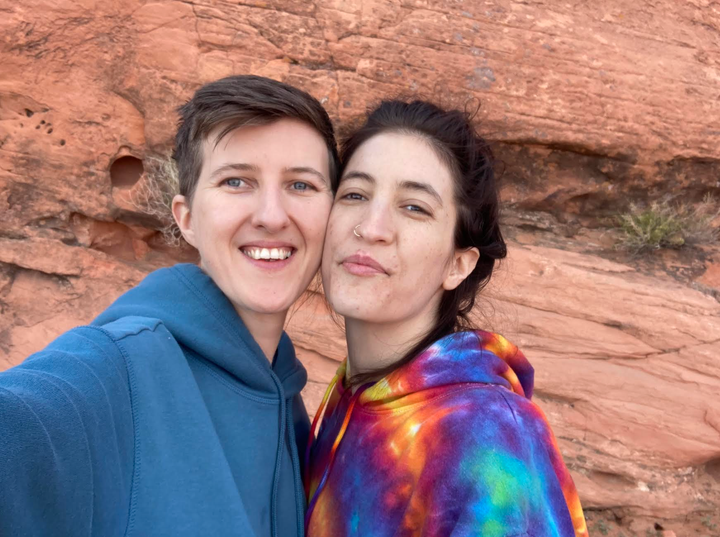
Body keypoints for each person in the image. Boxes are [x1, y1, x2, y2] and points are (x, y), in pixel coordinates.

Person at [0, 75, 339, 537]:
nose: (272, 215)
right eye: (236, 181)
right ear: (187, 219)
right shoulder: (113, 371)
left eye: (301, 185)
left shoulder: (290, 406)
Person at [304, 100, 589, 537]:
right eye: (355, 194)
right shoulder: (349, 396)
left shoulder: (487, 435)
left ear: (458, 264)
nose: (371, 226)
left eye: (414, 207)